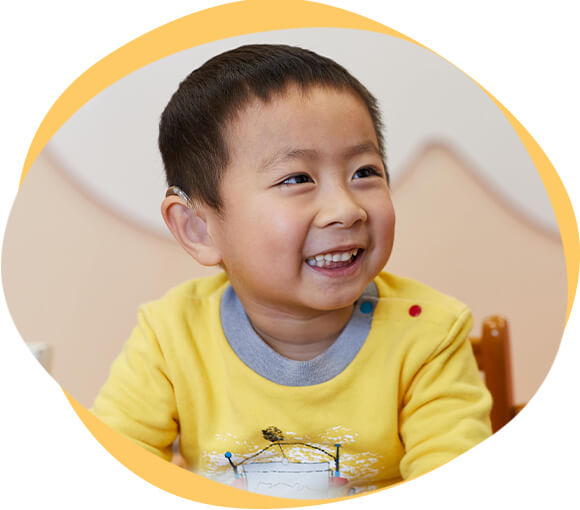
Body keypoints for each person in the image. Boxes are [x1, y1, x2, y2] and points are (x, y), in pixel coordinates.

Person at [92, 44, 491, 499]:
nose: (346, 209)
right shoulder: (170, 335)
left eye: (365, 171)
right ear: (199, 228)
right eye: (297, 179)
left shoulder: (429, 333)